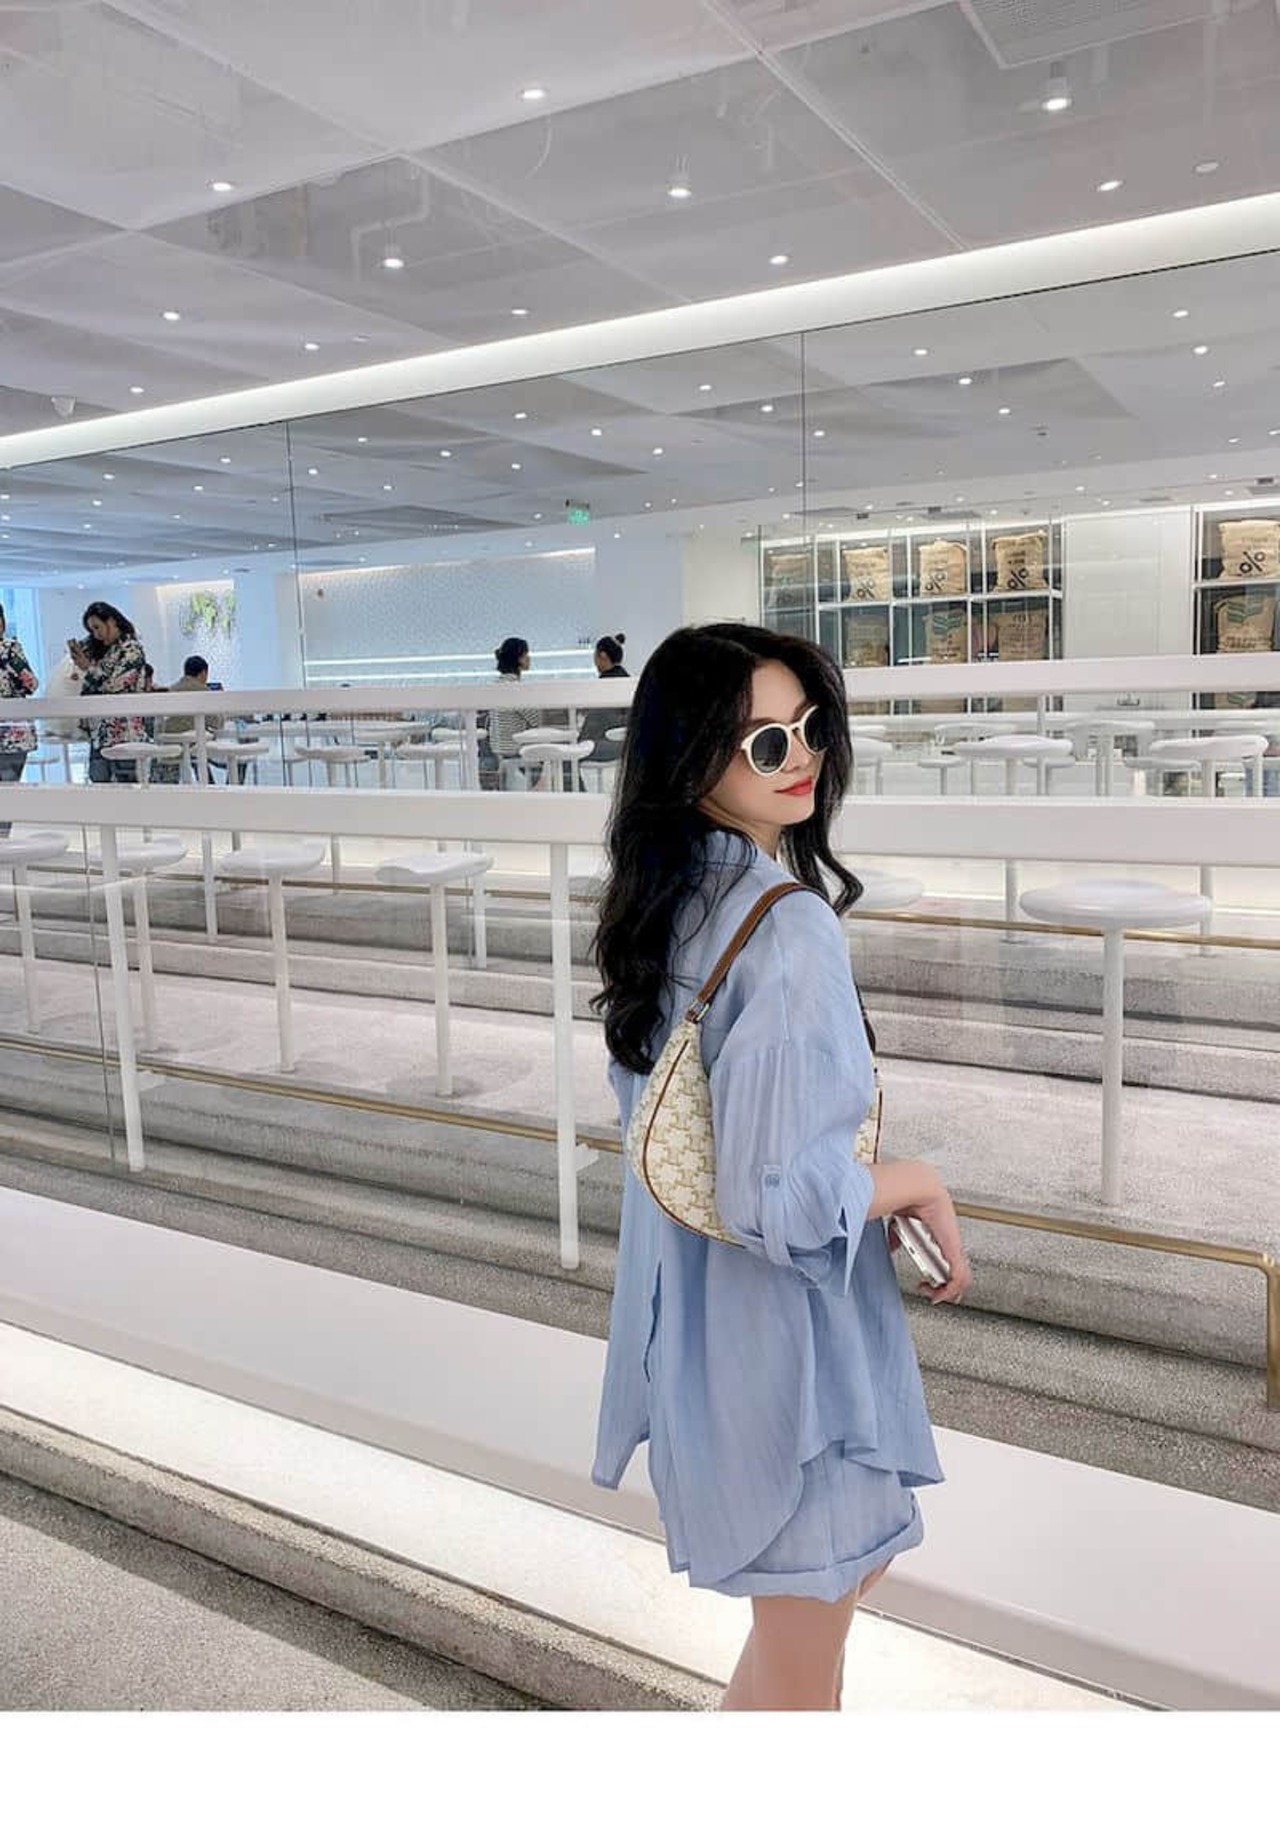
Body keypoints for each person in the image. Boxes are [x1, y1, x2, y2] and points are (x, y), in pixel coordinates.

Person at [591, 622, 971, 1711]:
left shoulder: (667, 902)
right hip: (793, 1362)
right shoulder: (786, 929)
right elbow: (785, 1204)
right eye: (763, 742)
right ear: (690, 755)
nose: (799, 756)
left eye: (807, 728)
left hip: (704, 1337)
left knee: (800, 1643)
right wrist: (917, 1181)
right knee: (809, 1671)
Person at [69, 601, 148, 783]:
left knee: (127, 786)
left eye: (97, 627)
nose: (96, 634)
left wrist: (88, 669)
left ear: (111, 621)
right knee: (99, 784)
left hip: (125, 732)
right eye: (92, 630)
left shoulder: (131, 649)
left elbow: (115, 685)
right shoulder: (103, 651)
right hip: (99, 732)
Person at [479, 636, 541, 788]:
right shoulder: (516, 688)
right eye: (526, 654)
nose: (529, 658)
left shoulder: (495, 685)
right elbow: (538, 720)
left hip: (498, 751)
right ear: (518, 659)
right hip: (516, 752)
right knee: (557, 762)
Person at [0, 603, 38, 837]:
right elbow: (30, 683)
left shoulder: (8, 648)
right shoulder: (9, 648)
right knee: (7, 790)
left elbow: (30, 684)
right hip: (13, 733)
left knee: (7, 789)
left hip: (11, 732)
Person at [154, 655, 222, 783]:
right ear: (203, 673)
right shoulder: (204, 692)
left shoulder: (172, 689)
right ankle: (212, 787)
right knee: (201, 748)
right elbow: (216, 723)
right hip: (192, 745)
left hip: (168, 743)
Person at [576, 633, 630, 787]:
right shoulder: (627, 681)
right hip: (623, 744)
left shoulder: (602, 687)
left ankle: (576, 796)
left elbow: (596, 724)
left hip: (607, 745)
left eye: (595, 655)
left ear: (602, 656)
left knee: (570, 756)